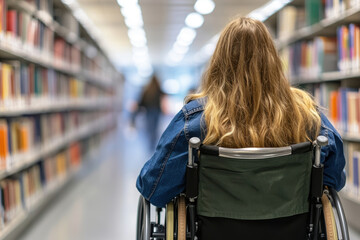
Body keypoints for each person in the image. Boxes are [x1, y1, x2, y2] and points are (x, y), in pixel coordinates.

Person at [136, 17, 346, 208]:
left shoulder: (196, 119)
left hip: (214, 229)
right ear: (274, 60)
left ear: (218, 62)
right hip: (292, 228)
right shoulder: (306, 115)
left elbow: (153, 187)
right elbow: (333, 179)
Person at [131, 74, 164, 150]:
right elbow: (164, 96)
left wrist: (137, 108)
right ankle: (154, 144)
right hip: (157, 112)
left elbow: (142, 101)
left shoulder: (147, 90)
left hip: (148, 112)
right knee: (155, 128)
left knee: (149, 128)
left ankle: (150, 144)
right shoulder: (158, 89)